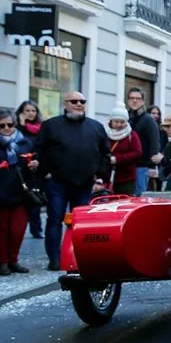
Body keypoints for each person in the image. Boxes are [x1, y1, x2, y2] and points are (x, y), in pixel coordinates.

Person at [34, 92, 109, 270]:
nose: (78, 104)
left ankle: (78, 256)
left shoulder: (96, 127)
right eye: (74, 101)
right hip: (57, 182)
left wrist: (100, 176)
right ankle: (54, 258)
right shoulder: (51, 125)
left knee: (81, 222)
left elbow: (104, 153)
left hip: (84, 183)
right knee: (55, 219)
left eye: (82, 101)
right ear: (65, 104)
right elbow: (39, 150)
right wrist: (45, 173)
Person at [0, 109, 40, 275]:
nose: (6, 128)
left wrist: (34, 165)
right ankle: (3, 263)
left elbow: (33, 161)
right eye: (2, 125)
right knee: (2, 230)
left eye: (10, 124)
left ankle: (14, 260)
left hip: (21, 192)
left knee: (18, 230)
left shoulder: (24, 142)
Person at [15, 100, 44, 238]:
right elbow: (17, 143)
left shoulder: (41, 128)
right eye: (27, 111)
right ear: (21, 112)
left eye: (33, 111)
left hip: (35, 168)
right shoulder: (15, 128)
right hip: (20, 169)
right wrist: (21, 125)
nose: (31, 113)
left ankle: (36, 229)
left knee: (35, 200)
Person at [126, 88, 160, 196]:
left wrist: (152, 166)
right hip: (125, 167)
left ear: (143, 101)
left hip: (142, 167)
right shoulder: (125, 118)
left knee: (139, 197)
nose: (134, 101)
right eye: (131, 98)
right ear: (128, 100)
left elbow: (154, 143)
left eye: (137, 98)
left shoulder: (148, 120)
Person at [104, 104, 143, 195]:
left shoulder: (131, 135)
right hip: (107, 177)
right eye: (116, 122)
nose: (119, 125)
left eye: (122, 122)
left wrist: (117, 159)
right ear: (111, 121)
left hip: (126, 178)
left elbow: (137, 152)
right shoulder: (104, 134)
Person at [148, 105, 166, 191]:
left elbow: (165, 144)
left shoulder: (162, 129)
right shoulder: (146, 127)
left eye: (157, 113)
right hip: (148, 162)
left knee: (158, 186)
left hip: (159, 162)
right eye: (153, 113)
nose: (156, 115)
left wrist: (161, 154)